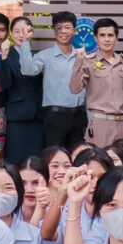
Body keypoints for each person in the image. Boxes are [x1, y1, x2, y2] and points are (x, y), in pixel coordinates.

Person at [19, 11, 87, 149]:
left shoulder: (83, 57)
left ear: (74, 30)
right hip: (55, 117)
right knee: (55, 157)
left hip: (80, 116)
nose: (63, 31)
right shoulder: (45, 56)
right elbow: (28, 70)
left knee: (79, 158)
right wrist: (25, 42)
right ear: (54, 31)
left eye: (67, 27)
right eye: (59, 28)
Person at [69, 18, 123, 148]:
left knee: (122, 164)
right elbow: (75, 88)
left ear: (117, 38)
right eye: (102, 35)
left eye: (110, 35)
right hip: (100, 122)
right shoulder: (88, 61)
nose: (107, 39)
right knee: (99, 163)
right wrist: (78, 61)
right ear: (95, 38)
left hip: (122, 123)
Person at [0, 17, 45, 164]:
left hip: (38, 115)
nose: (21, 35)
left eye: (25, 31)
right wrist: (4, 58)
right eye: (17, 31)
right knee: (16, 160)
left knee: (37, 162)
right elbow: (5, 84)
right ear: (11, 34)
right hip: (17, 116)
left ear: (31, 32)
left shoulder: (38, 55)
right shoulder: (7, 55)